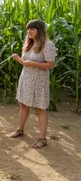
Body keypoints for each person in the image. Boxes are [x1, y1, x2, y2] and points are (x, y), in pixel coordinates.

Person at [9, 19, 57, 148]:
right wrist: (18, 59)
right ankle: (20, 129)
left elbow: (50, 65)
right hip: (26, 79)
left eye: (32, 29)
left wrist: (33, 64)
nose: (29, 31)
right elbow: (26, 63)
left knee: (40, 109)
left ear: (40, 30)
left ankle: (42, 139)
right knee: (24, 105)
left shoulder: (48, 45)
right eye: (28, 29)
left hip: (39, 82)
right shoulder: (29, 44)